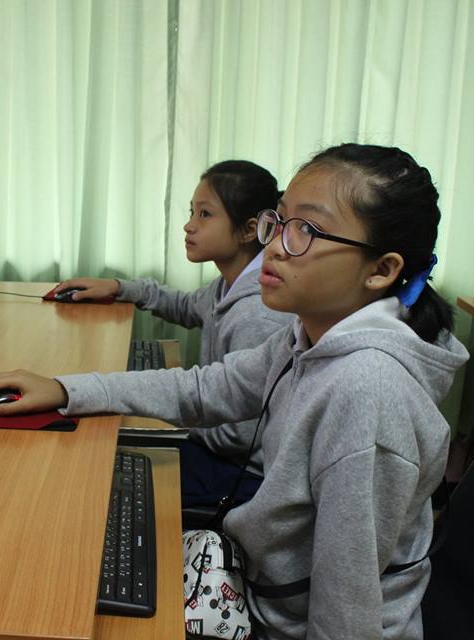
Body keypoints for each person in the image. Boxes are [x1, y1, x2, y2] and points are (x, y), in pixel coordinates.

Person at [0, 143, 469, 639]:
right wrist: (64, 390)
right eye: (281, 221)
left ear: (381, 270)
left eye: (307, 230)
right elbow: (206, 388)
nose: (275, 246)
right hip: (260, 590)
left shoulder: (366, 393)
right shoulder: (307, 336)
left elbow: (346, 615)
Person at [54, 160, 295, 506]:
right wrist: (120, 288)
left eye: (205, 215)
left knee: (102, 469)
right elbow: (185, 306)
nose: (189, 225)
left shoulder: (256, 313)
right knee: (105, 442)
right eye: (192, 212)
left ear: (248, 230)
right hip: (218, 450)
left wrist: (165, 418)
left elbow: (238, 437)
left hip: (241, 475)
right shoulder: (230, 284)